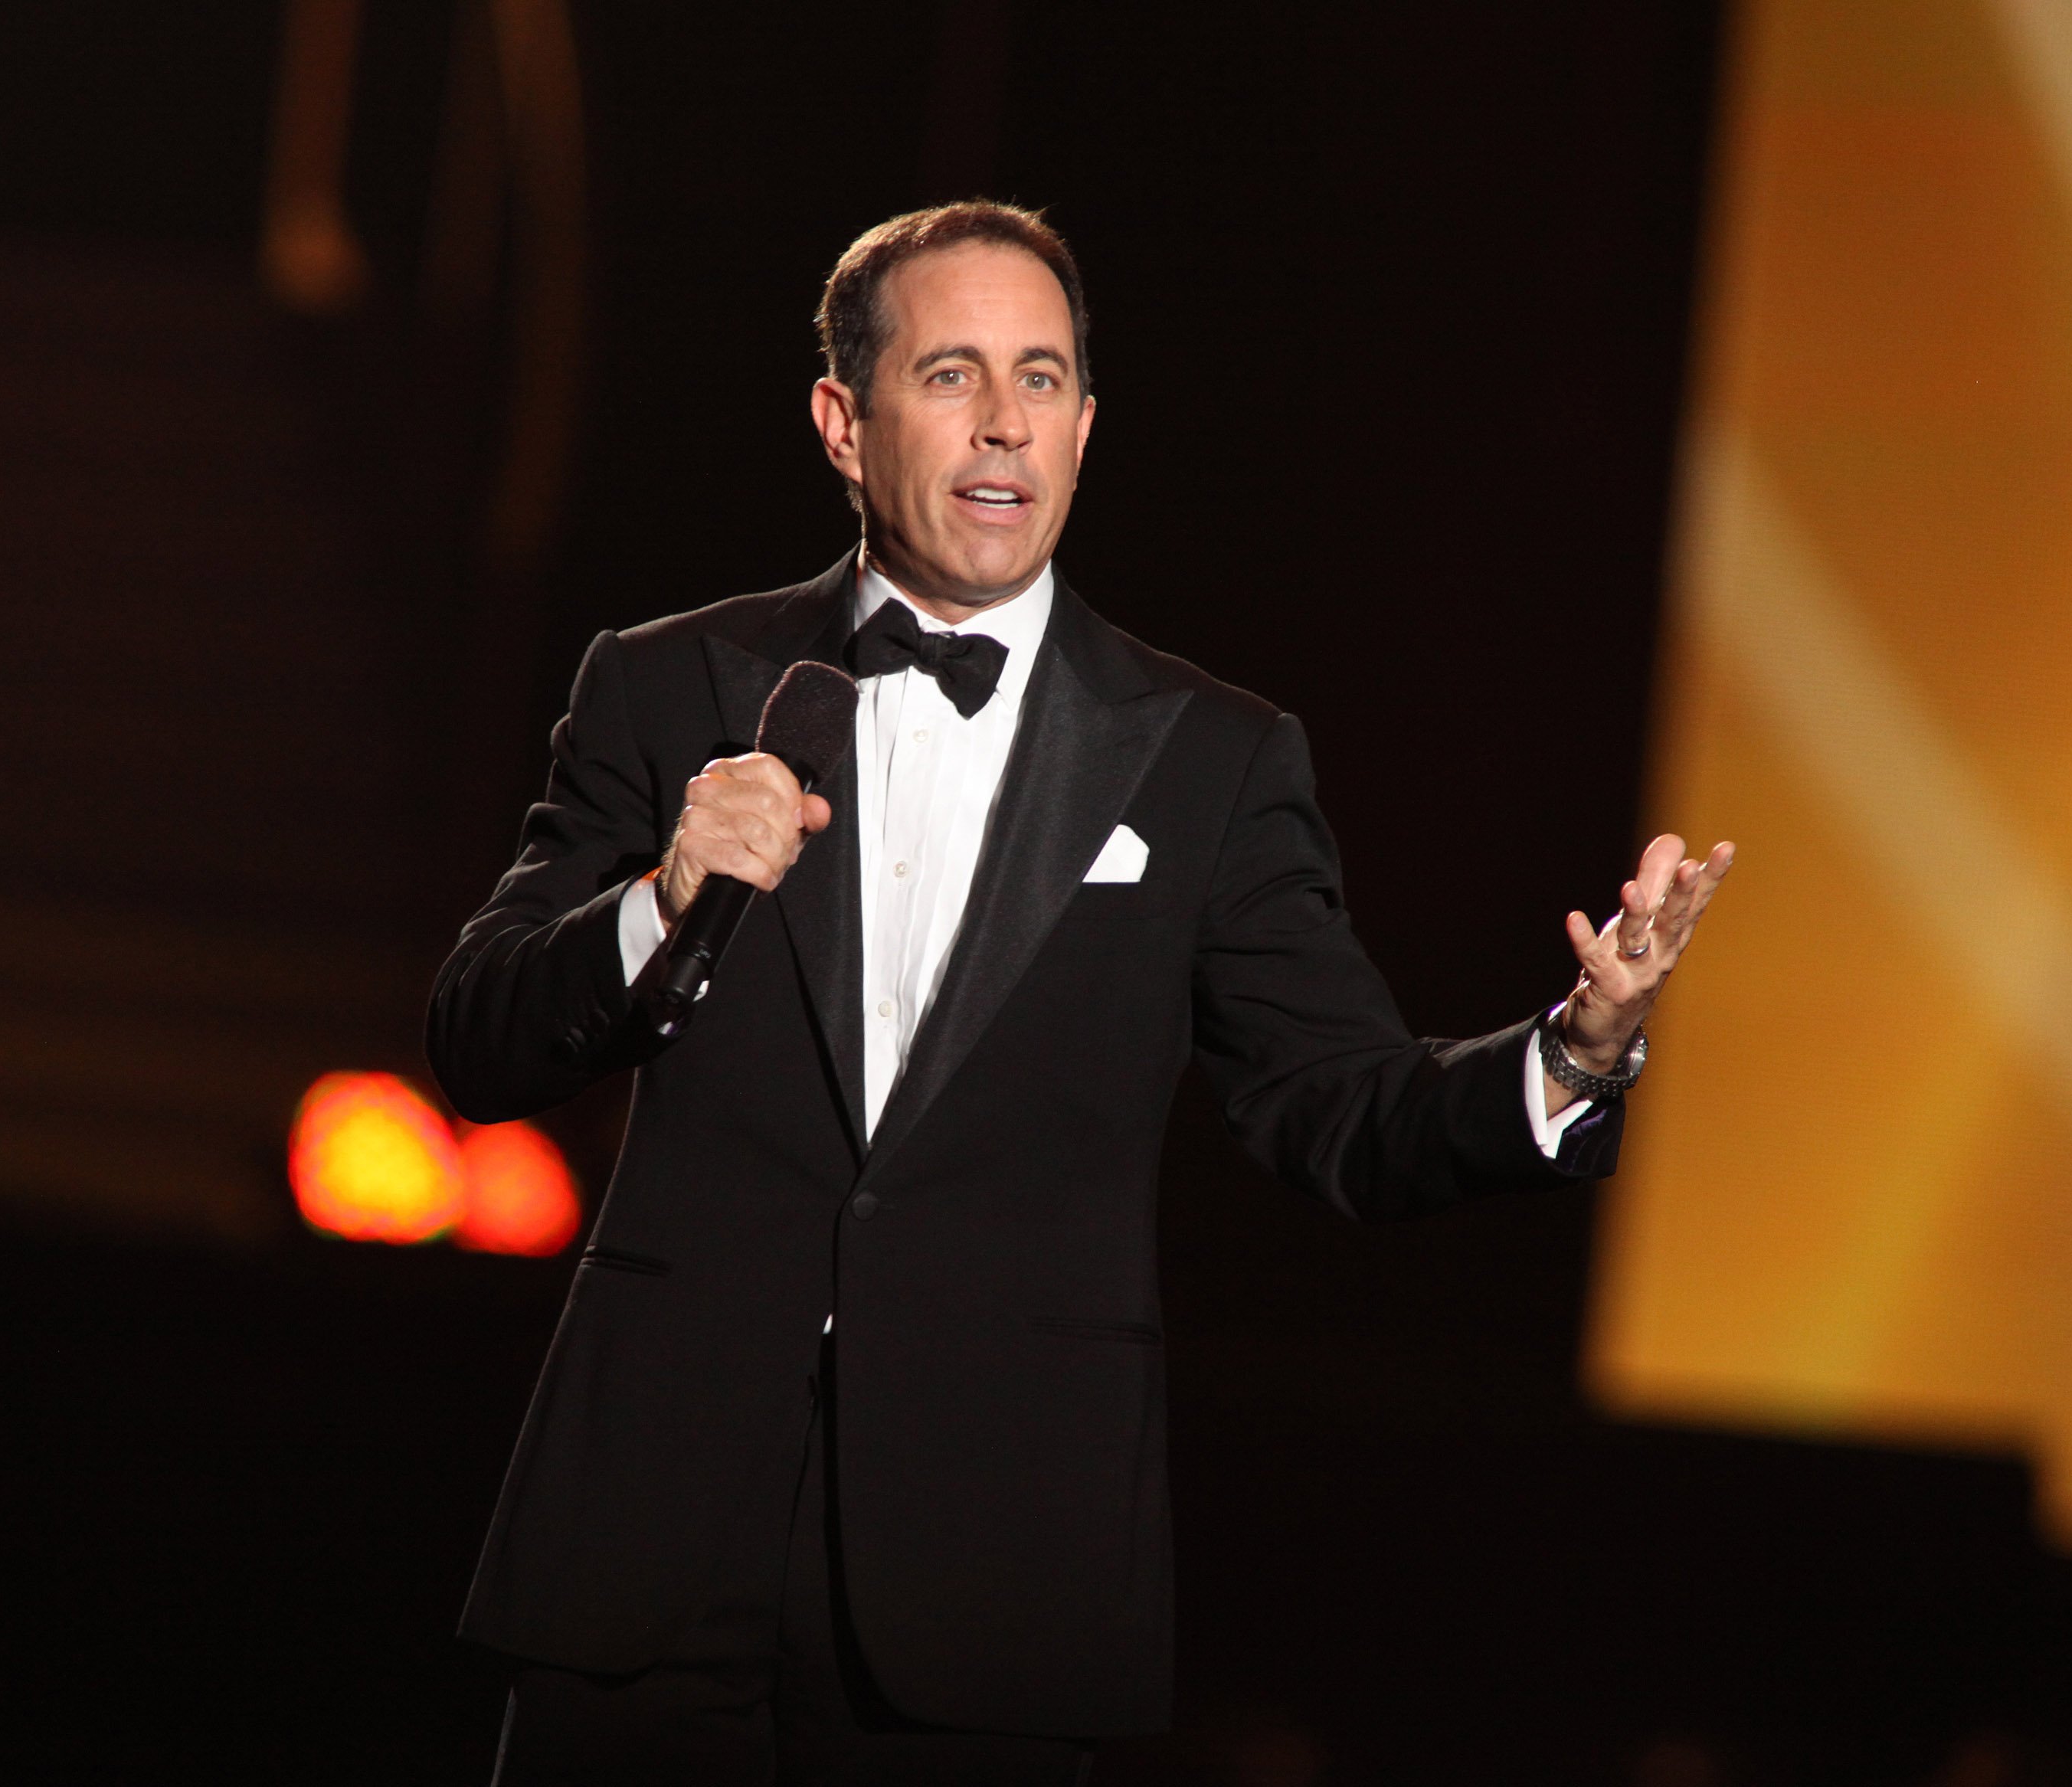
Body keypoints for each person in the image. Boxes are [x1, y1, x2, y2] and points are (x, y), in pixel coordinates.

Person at [427, 201, 1733, 1785]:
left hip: (988, 1589)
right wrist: (659, 900)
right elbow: (480, 1040)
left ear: (1087, 424)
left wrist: (1575, 1053)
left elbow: (1343, 1114)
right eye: (952, 374)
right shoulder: (668, 683)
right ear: (844, 423)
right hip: (642, 1562)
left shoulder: (1209, 759)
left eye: (1040, 380)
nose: (1002, 424)